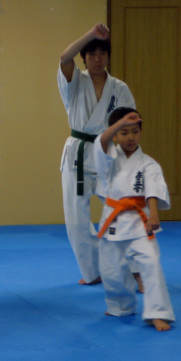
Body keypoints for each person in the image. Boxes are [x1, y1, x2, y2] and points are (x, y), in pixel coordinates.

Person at [58, 23, 141, 288]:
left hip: (108, 155)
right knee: (77, 222)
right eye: (92, 54)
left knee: (125, 213)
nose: (97, 59)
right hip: (78, 155)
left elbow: (131, 124)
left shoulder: (119, 88)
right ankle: (93, 272)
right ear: (84, 57)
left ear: (108, 57)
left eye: (102, 54)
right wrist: (91, 36)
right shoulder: (75, 82)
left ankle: (137, 271)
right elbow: (64, 58)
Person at [94, 107, 175, 331]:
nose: (131, 137)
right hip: (113, 219)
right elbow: (101, 142)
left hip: (141, 221)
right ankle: (120, 306)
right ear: (116, 134)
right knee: (112, 270)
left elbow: (153, 189)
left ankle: (158, 313)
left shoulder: (149, 163)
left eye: (135, 132)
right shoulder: (109, 157)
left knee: (151, 262)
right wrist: (119, 123)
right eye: (124, 132)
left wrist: (154, 214)